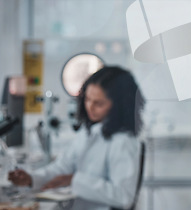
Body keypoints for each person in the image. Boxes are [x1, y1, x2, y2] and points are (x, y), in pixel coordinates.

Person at [9, 66, 145, 210]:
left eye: (98, 103)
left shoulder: (123, 141)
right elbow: (63, 166)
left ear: (120, 105)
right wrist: (31, 178)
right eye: (87, 99)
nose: (90, 107)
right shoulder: (89, 132)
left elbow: (123, 197)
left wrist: (75, 180)